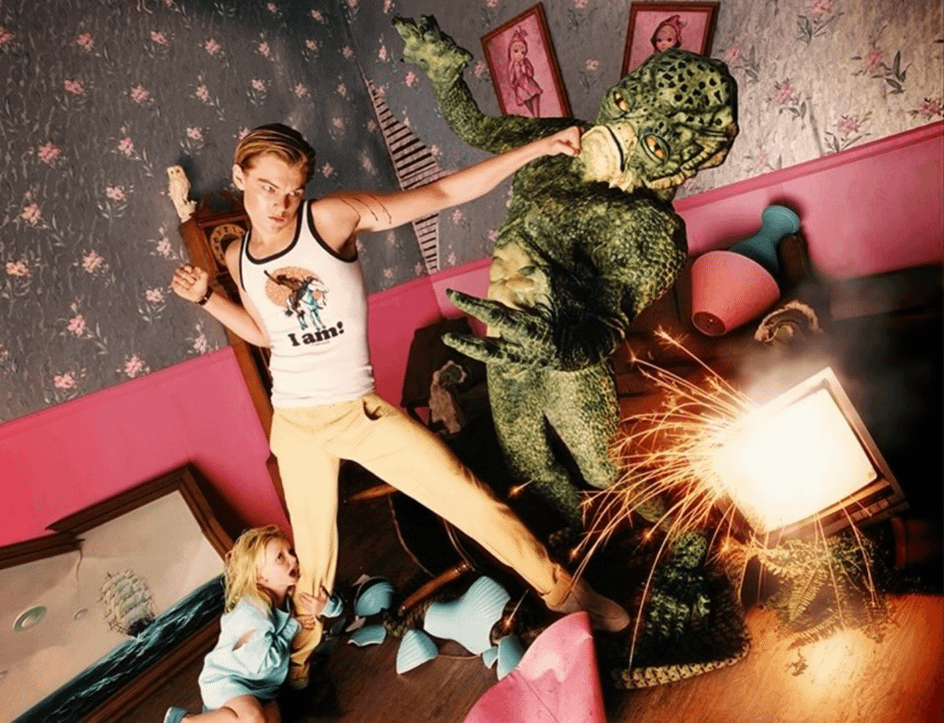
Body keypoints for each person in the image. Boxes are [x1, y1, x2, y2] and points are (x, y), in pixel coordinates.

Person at [170, 122, 629, 689]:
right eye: (267, 187)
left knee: (470, 497)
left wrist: (536, 148)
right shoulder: (237, 255)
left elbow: (440, 193)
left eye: (292, 190)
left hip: (357, 414)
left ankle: (565, 592)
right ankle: (287, 673)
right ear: (239, 178)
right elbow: (267, 334)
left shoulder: (329, 219)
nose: (281, 204)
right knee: (313, 571)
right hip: (295, 423)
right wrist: (208, 298)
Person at [163, 525, 327, 723]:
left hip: (261, 688)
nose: (293, 559)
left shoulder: (287, 599)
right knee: (253, 718)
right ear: (259, 576)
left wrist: (325, 606)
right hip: (228, 680)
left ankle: (219, 716)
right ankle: (184, 720)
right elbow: (264, 663)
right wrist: (292, 627)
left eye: (291, 552)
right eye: (280, 558)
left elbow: (331, 604)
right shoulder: (253, 614)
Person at [507, 27, 543, 117]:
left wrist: (525, 69)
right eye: (516, 51)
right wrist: (515, 82)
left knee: (536, 114)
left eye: (523, 52)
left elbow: (531, 74)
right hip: (522, 92)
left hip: (531, 87)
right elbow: (512, 81)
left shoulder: (525, 62)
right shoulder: (512, 66)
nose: (519, 55)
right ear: (511, 52)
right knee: (534, 116)